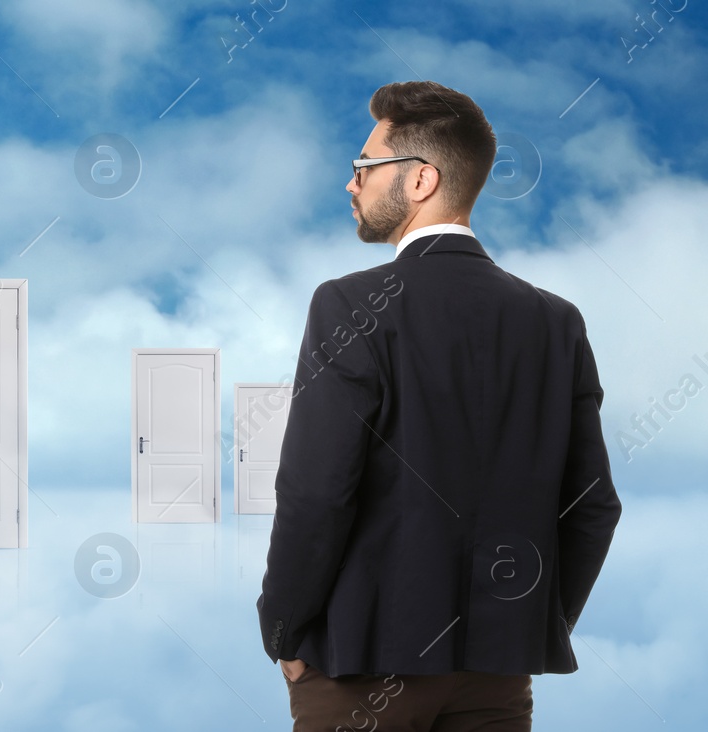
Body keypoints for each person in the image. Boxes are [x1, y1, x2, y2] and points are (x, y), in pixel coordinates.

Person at [256, 80, 623, 731]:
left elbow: (317, 492)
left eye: (363, 167)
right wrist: (525, 627)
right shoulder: (554, 322)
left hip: (359, 668)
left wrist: (284, 633)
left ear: (421, 179)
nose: (351, 184)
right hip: (497, 674)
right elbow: (591, 505)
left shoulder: (348, 305)